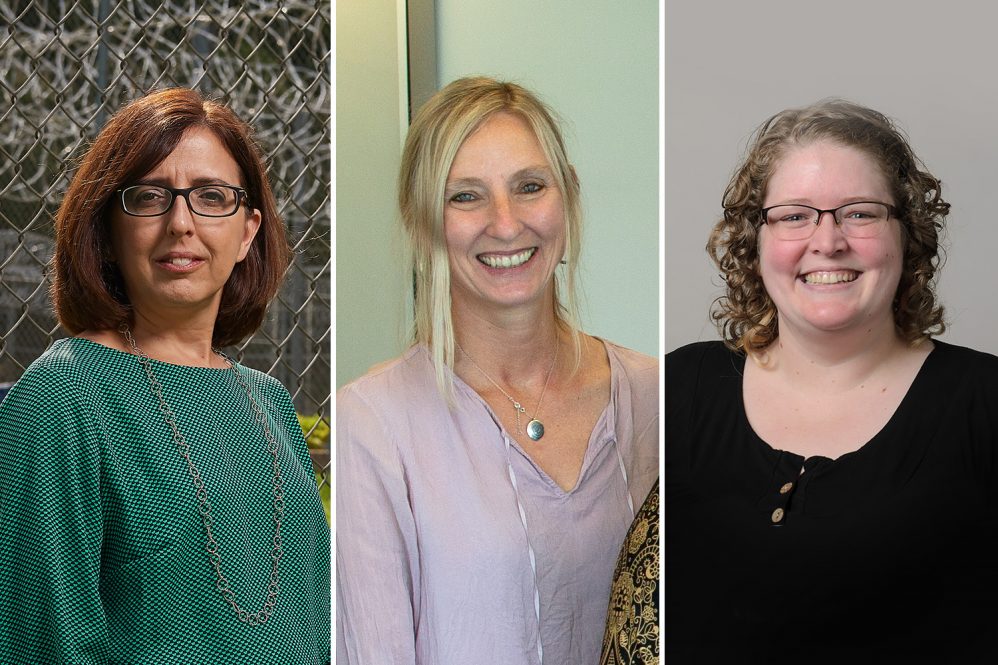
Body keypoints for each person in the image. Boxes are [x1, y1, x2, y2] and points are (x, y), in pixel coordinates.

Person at [0, 88, 330, 664]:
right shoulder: (60, 398)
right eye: (150, 197)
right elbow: (43, 645)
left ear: (248, 230)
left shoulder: (268, 401)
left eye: (210, 196)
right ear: (108, 230)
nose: (181, 222)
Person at [336, 76, 658, 664]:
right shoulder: (376, 423)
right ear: (420, 221)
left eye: (529, 187)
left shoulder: (655, 397)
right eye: (466, 196)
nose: (506, 224)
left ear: (569, 200)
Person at [664, 100, 998, 663]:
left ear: (907, 234)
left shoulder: (985, 404)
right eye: (795, 215)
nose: (828, 240)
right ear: (757, 240)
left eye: (860, 213)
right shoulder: (679, 388)